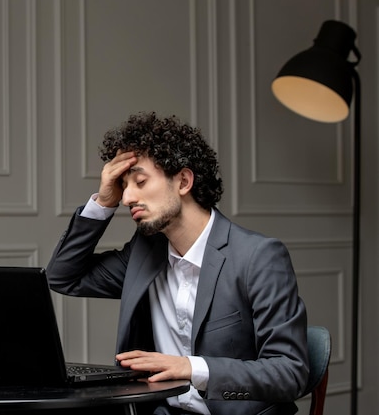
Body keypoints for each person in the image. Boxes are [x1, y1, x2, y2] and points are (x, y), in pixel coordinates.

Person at [46, 112, 309, 415]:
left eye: (140, 182)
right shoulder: (144, 254)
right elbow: (63, 277)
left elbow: (290, 373)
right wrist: (104, 201)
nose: (128, 197)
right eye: (123, 185)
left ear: (183, 181)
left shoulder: (258, 257)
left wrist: (191, 368)